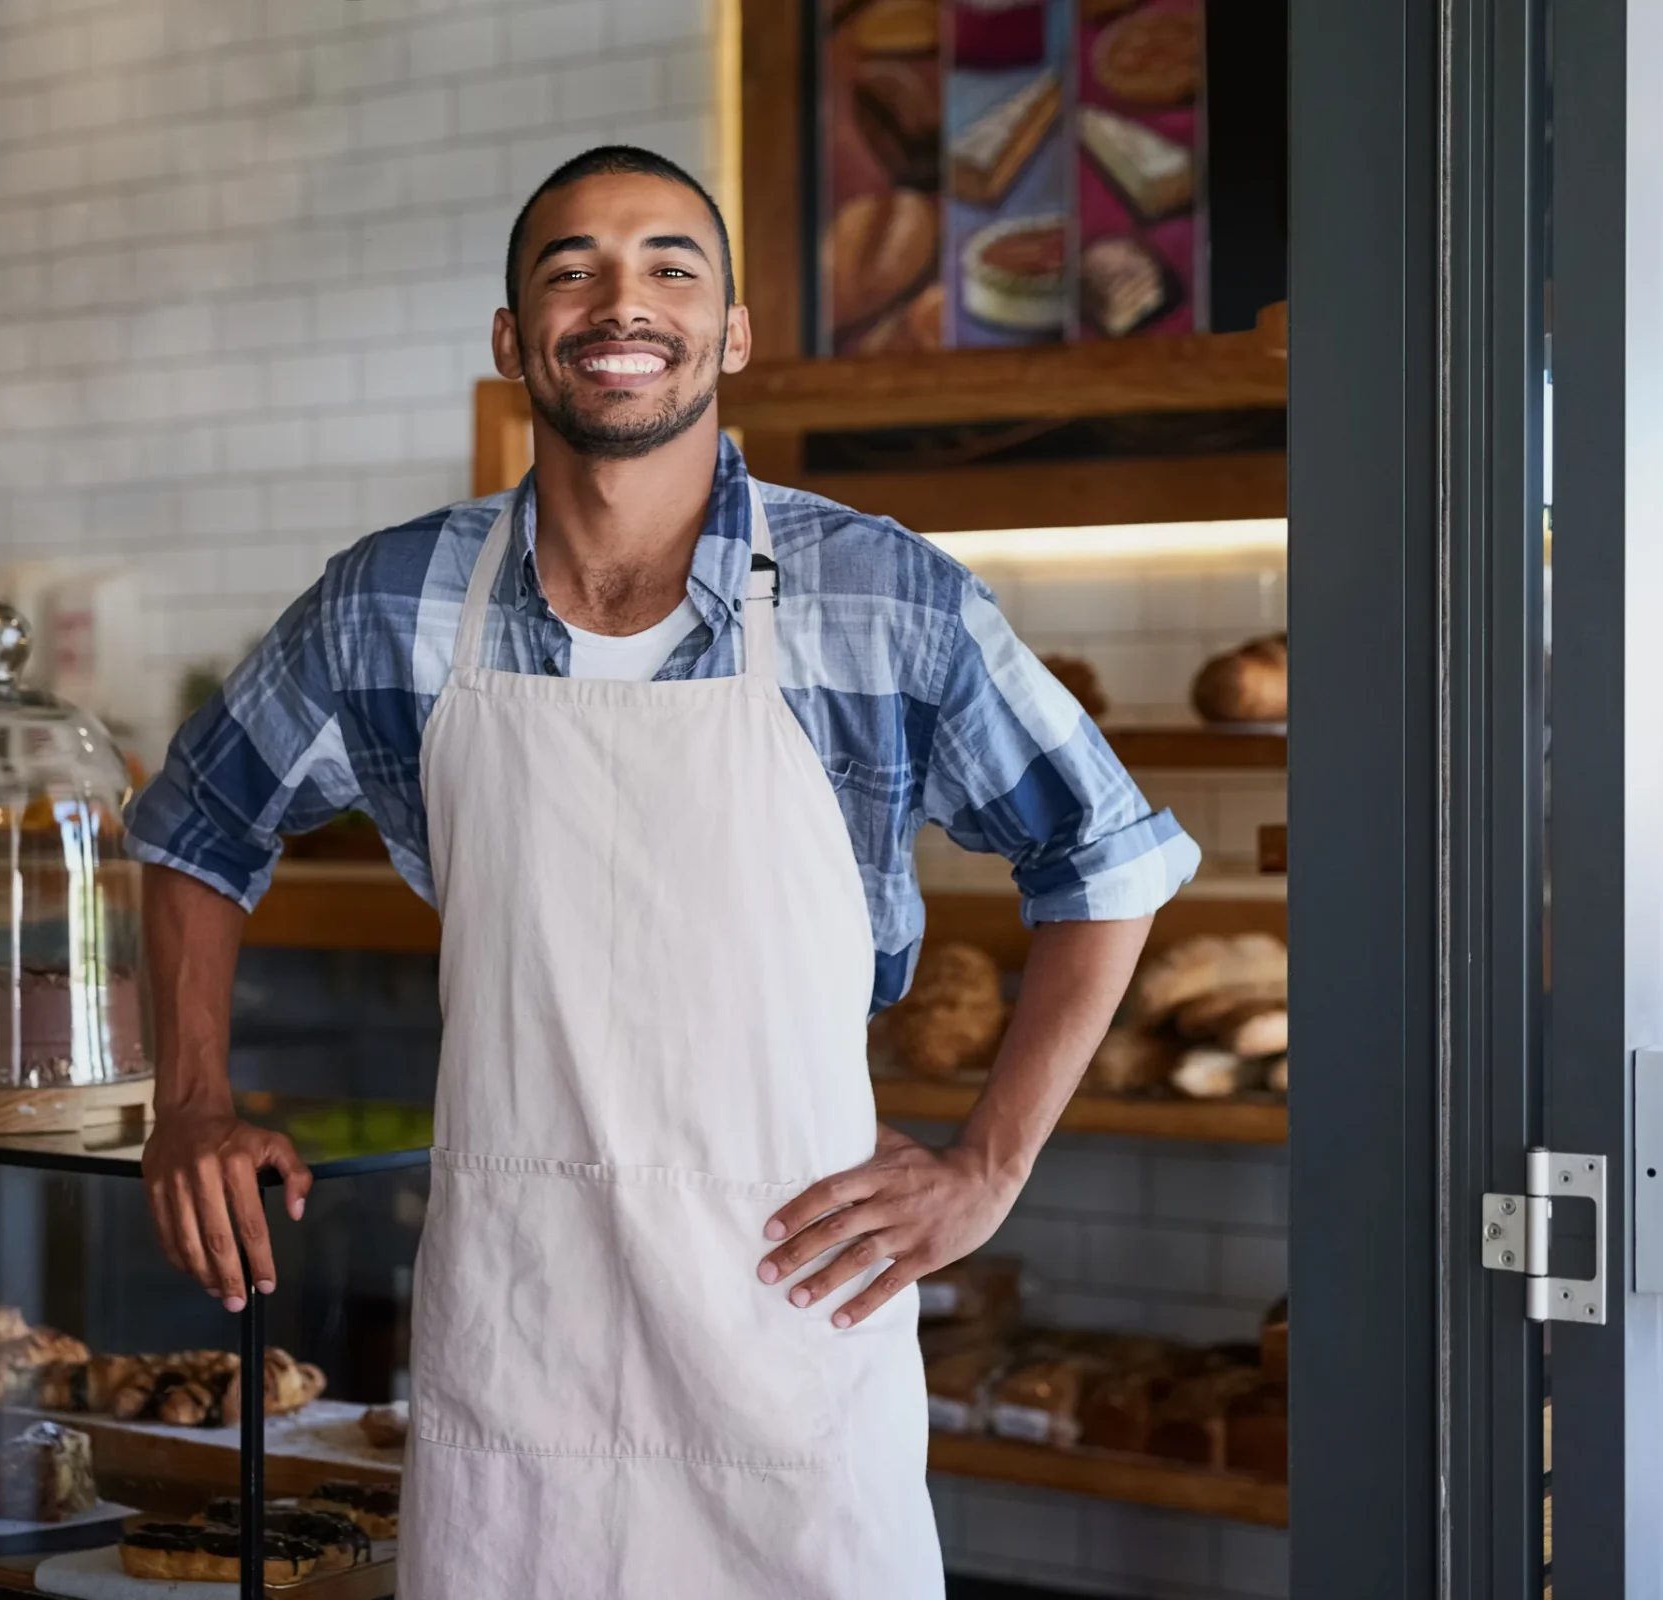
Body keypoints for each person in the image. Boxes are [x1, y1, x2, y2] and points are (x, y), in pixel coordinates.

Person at [125, 145, 1198, 1598]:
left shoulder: (880, 598)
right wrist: (188, 1099)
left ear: (732, 336)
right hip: (524, 1347)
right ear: (515, 340)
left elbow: (1109, 855)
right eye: (569, 267)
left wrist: (987, 1169)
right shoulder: (395, 604)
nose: (619, 300)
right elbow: (196, 825)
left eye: (669, 266)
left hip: (790, 1344)